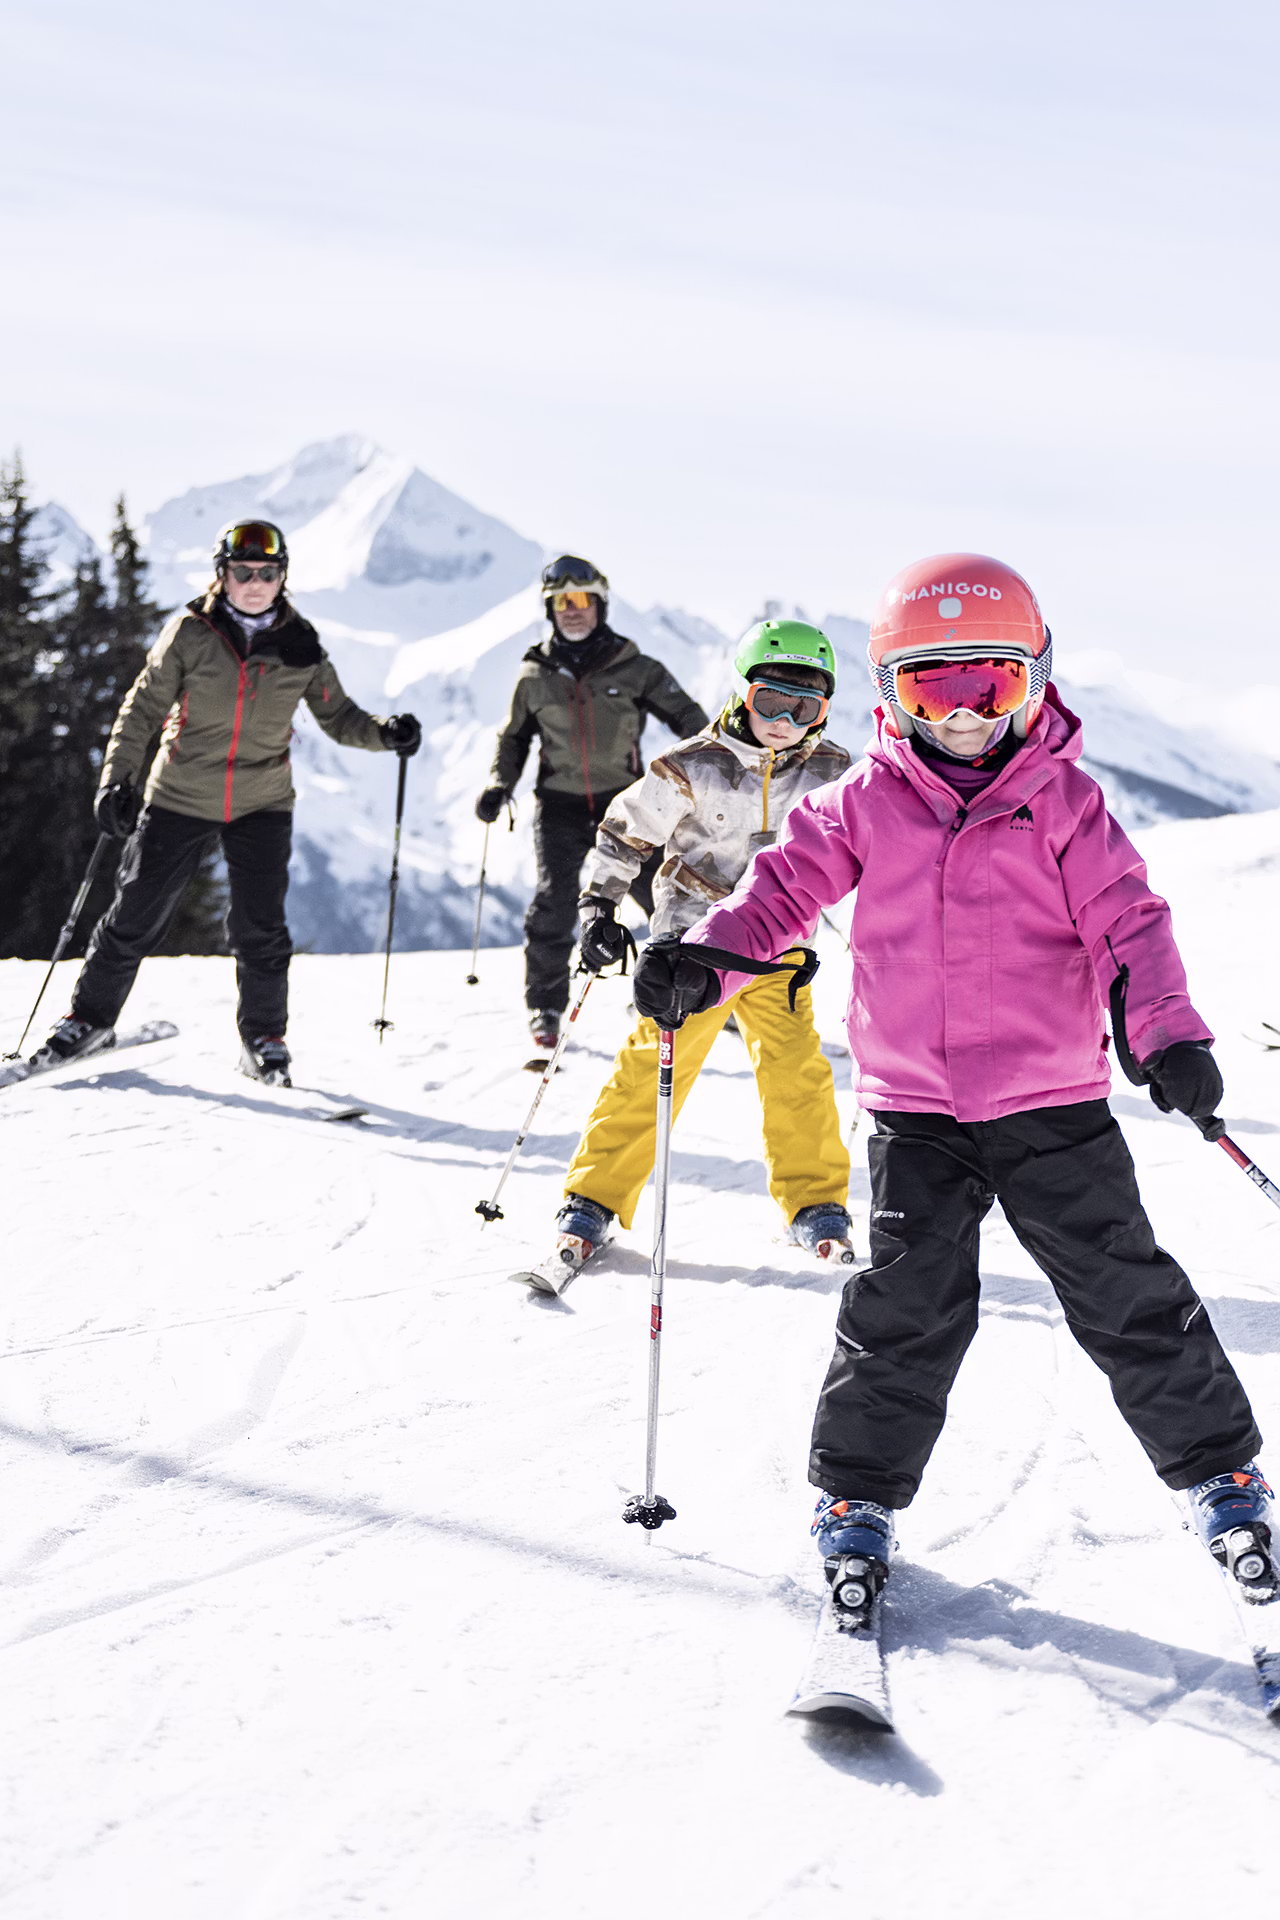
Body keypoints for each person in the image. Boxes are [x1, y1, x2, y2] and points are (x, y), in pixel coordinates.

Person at [633, 552, 1273, 1619]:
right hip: (915, 1109)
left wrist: (1165, 1036)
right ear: (891, 695)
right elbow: (778, 891)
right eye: (935, 691)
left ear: (1032, 681)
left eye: (991, 685)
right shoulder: (861, 803)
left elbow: (1127, 924)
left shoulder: (1063, 802)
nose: (966, 716)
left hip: (1051, 1103)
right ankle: (856, 1496)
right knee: (904, 1310)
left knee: (1126, 1295)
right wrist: (705, 960)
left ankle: (1221, 1476)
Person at [30, 519, 422, 1086]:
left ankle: (263, 1040)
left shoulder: (300, 644)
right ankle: (89, 1020)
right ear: (223, 575)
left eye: (267, 573)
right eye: (244, 572)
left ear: (282, 578)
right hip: (180, 793)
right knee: (135, 914)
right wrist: (116, 781)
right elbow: (141, 710)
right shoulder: (191, 634)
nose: (255, 583)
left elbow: (339, 717)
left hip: (262, 801)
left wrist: (385, 732)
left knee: (261, 928)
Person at [533, 619, 855, 1291]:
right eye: (772, 701)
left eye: (806, 708)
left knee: (797, 1071)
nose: (785, 722)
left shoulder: (831, 771)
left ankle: (815, 1204)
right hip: (692, 948)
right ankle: (593, 1200)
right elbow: (625, 832)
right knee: (657, 1063)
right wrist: (599, 906)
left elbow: (864, 847)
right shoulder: (692, 764)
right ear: (742, 693)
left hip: (778, 944)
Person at [476, 555, 709, 1054]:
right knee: (554, 903)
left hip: (626, 808)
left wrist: (713, 769)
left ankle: (693, 993)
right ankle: (546, 1006)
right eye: (561, 602)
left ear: (600, 604)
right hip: (558, 807)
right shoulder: (535, 675)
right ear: (550, 609)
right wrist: (499, 784)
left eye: (582, 599)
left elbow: (689, 718)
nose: (572, 609)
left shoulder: (637, 668)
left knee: (665, 898)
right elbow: (514, 738)